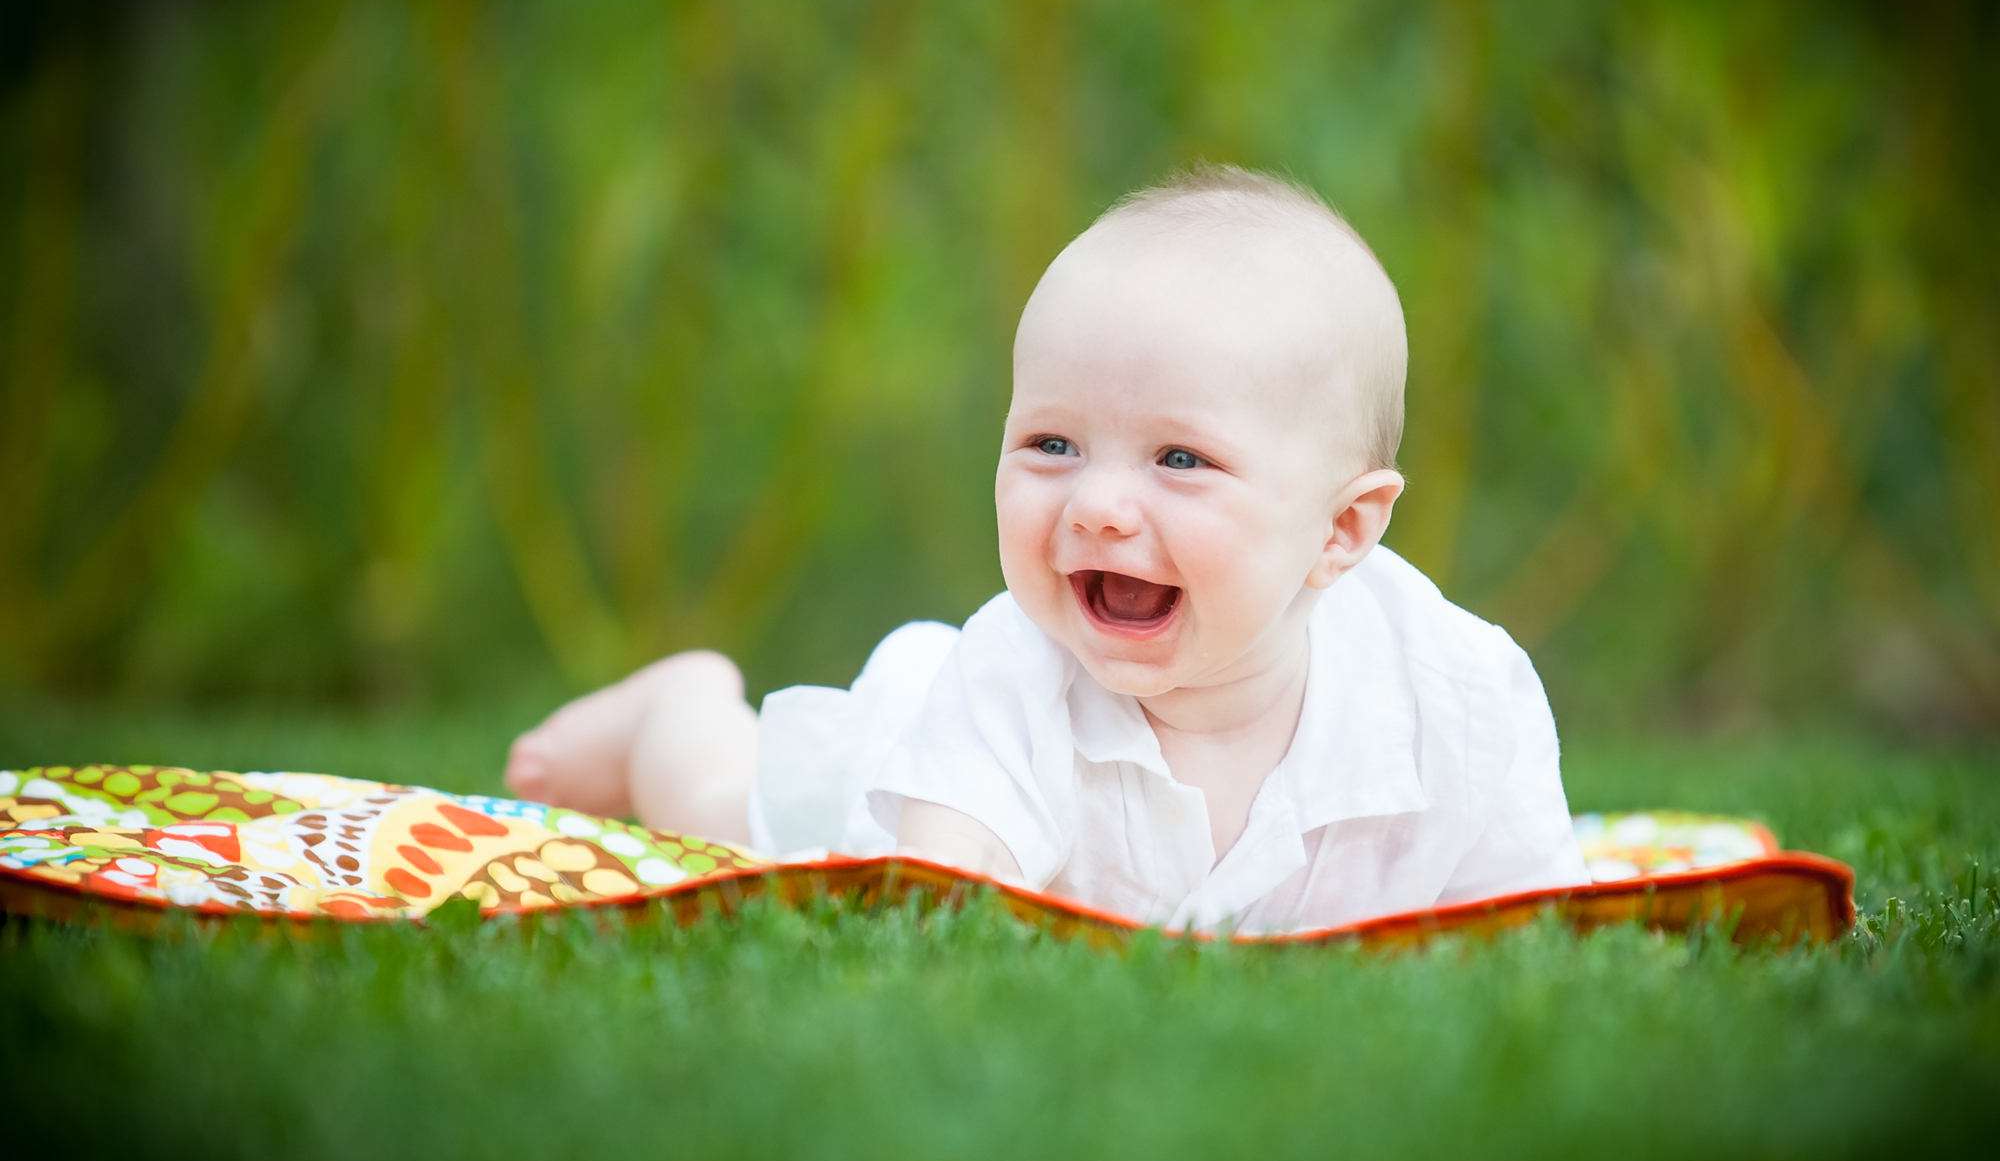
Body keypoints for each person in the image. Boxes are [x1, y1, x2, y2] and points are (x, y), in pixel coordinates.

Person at [504, 164, 1589, 934]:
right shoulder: (1011, 674)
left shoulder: (1457, 700)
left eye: (1179, 459)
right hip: (895, 769)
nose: (1098, 507)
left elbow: (1545, 924)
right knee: (727, 810)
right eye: (1052, 444)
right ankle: (676, 706)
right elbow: (932, 910)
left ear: (1340, 530)